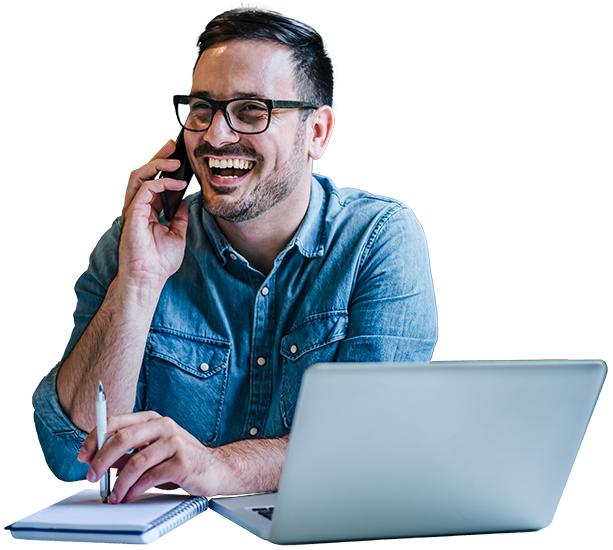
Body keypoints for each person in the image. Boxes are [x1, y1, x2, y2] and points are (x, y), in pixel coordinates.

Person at [33, 8, 437, 504]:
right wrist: (138, 282)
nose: (216, 136)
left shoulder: (379, 241)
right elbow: (70, 455)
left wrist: (217, 467)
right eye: (202, 108)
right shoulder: (139, 239)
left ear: (317, 133)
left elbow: (375, 444)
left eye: (251, 110)